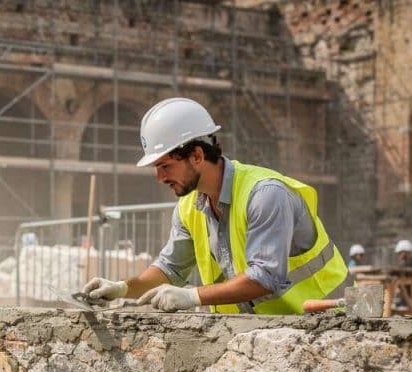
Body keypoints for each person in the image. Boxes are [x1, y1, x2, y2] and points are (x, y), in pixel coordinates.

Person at [82, 97, 347, 314]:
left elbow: (266, 276)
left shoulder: (266, 194)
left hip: (325, 326)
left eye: (165, 166)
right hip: (267, 333)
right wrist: (122, 288)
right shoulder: (189, 207)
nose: (160, 177)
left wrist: (192, 296)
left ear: (197, 155)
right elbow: (170, 269)